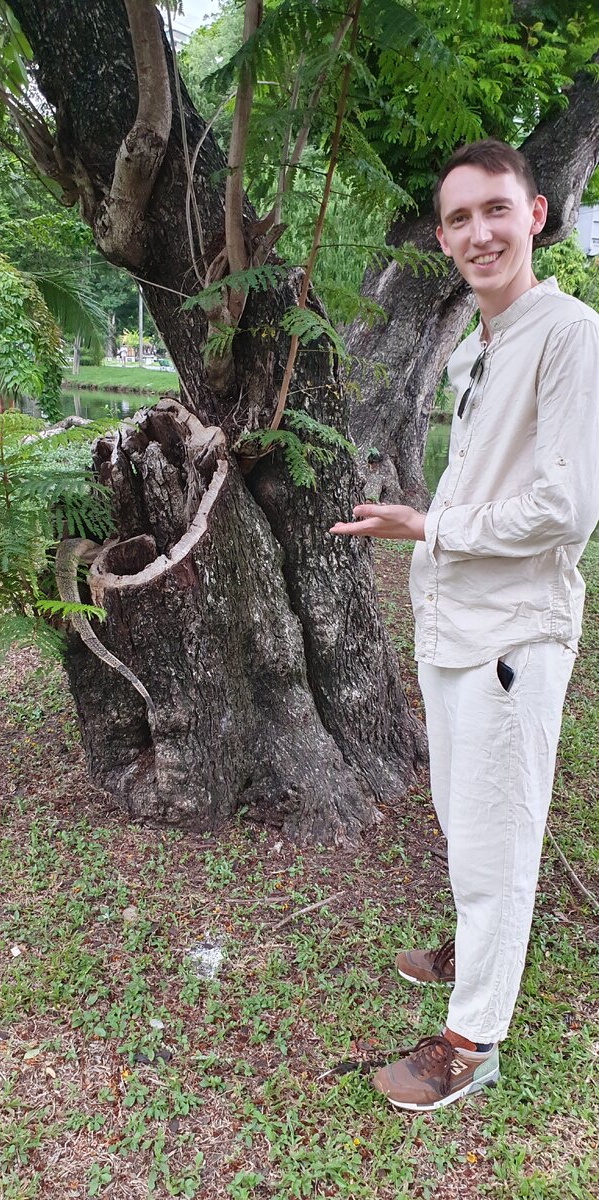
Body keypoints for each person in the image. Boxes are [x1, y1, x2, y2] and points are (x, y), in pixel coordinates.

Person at [330, 139, 599, 1112]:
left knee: (497, 838)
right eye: (458, 218)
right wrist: (433, 527)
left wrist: (431, 526)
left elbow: (566, 509)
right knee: (459, 815)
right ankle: (475, 941)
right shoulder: (477, 349)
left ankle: (470, 1041)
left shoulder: (569, 333)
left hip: (511, 640)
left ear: (535, 214)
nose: (478, 232)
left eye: (495, 209)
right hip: (452, 625)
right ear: (442, 240)